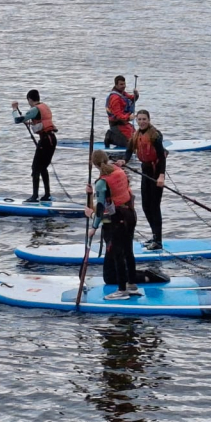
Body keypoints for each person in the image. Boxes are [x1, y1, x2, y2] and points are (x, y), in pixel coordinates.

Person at [85, 150, 141, 299]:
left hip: (118, 220)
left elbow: (101, 208)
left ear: (94, 164)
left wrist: (94, 227)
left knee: (118, 254)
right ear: (106, 159)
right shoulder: (119, 170)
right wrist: (91, 194)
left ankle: (122, 291)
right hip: (130, 214)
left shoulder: (102, 182)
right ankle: (132, 285)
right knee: (128, 251)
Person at [119, 110, 168, 250]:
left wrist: (161, 176)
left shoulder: (155, 135)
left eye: (144, 119)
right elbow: (129, 151)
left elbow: (162, 157)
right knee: (146, 206)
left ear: (149, 119)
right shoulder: (136, 135)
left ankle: (158, 241)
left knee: (154, 206)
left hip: (156, 172)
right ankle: (154, 236)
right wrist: (124, 160)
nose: (141, 121)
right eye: (139, 119)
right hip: (145, 171)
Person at [11, 89, 57, 203]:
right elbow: (43, 121)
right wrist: (31, 123)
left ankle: (34, 197)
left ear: (30, 99)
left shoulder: (35, 109)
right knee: (43, 168)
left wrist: (14, 109)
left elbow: (18, 120)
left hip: (45, 141)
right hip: (51, 139)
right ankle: (47, 195)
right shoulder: (44, 106)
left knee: (35, 168)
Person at [105, 75, 139, 147]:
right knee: (129, 144)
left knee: (135, 137)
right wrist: (128, 118)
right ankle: (110, 137)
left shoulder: (122, 93)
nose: (123, 86)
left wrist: (136, 95)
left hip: (124, 123)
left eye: (124, 84)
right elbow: (118, 115)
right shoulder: (115, 98)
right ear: (116, 85)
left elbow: (131, 98)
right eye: (121, 84)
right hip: (116, 124)